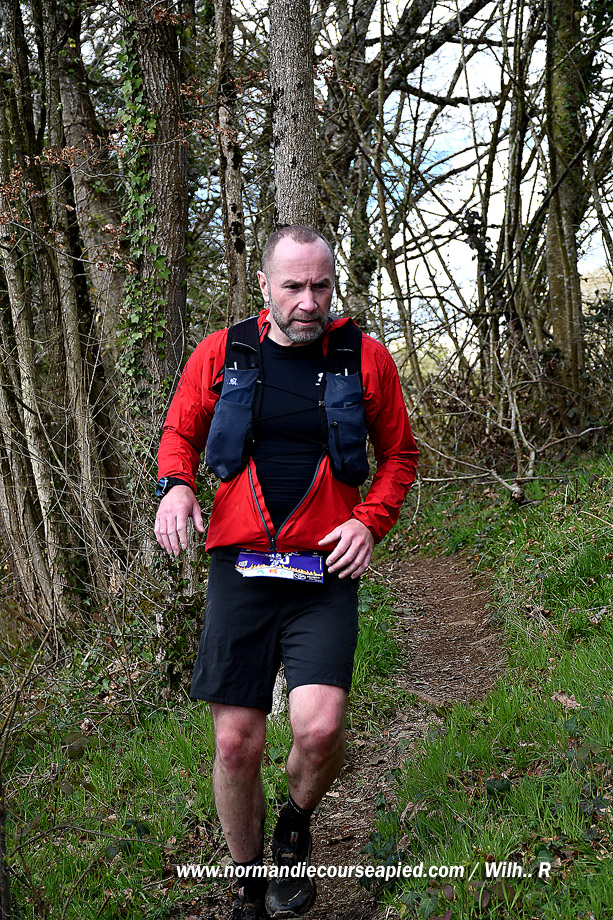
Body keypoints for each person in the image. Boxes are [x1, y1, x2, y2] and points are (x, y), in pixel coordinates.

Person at [154, 225, 419, 920]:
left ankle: (295, 824)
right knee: (235, 742)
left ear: (333, 285)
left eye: (320, 286)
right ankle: (247, 884)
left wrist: (368, 521)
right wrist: (175, 486)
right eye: (293, 286)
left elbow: (399, 456)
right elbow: (180, 433)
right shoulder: (222, 352)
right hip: (241, 566)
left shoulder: (365, 358)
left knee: (320, 730)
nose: (308, 301)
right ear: (264, 284)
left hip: (323, 570)